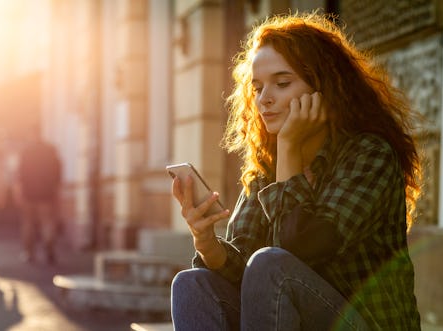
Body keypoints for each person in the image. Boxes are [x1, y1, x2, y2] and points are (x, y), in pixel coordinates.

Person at [170, 11, 421, 331]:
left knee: (272, 266)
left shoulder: (368, 155)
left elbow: (300, 250)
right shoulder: (264, 170)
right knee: (192, 284)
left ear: (325, 88)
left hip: (365, 325)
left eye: (282, 83)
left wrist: (288, 147)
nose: (264, 100)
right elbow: (243, 272)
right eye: (258, 87)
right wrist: (205, 241)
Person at [15, 126, 62, 264]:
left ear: (31, 134)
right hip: (47, 191)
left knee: (28, 222)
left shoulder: (26, 152)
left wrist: (18, 191)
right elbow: (58, 169)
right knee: (47, 221)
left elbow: (20, 173)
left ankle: (29, 253)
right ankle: (49, 250)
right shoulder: (50, 150)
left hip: (28, 191)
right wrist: (56, 188)